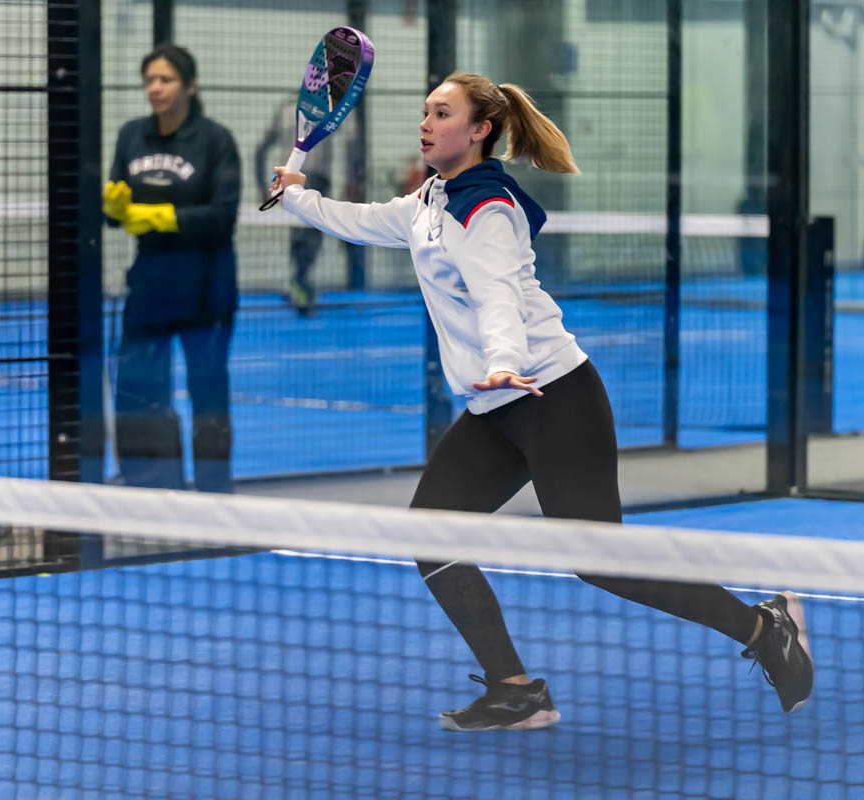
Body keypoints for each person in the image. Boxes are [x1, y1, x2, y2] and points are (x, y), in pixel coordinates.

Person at [271, 73, 813, 731]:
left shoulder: (486, 210)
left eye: (442, 113)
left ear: (479, 131)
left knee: (599, 560)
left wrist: (502, 362)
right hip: (498, 407)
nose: (426, 123)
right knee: (432, 533)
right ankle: (514, 690)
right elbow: (367, 221)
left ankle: (764, 628)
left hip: (554, 397)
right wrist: (298, 197)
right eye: (425, 111)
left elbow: (498, 294)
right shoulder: (431, 200)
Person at [103, 44, 240, 493]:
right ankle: (153, 489)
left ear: (190, 85)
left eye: (166, 79)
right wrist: (113, 209)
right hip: (150, 286)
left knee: (208, 392)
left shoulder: (215, 140)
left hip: (207, 288)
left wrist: (164, 216)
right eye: (150, 80)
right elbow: (116, 208)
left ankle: (213, 493)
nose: (156, 88)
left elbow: (223, 216)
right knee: (140, 388)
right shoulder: (131, 135)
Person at [255, 99, 339, 315]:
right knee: (307, 237)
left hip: (303, 180)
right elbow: (260, 150)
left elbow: (260, 150)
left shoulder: (289, 111)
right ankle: (300, 285)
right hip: (303, 179)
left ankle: (300, 284)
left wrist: (262, 187)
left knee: (306, 236)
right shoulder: (317, 112)